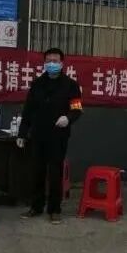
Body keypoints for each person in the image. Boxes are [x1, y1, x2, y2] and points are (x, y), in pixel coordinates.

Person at [17, 48, 82, 224]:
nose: (52, 64)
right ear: (44, 63)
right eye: (48, 61)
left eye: (55, 61)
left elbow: (77, 109)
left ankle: (55, 210)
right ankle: (36, 206)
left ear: (62, 63)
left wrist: (68, 118)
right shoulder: (37, 84)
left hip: (58, 136)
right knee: (37, 172)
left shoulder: (71, 85)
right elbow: (28, 110)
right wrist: (22, 133)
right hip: (38, 135)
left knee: (55, 173)